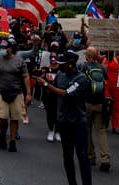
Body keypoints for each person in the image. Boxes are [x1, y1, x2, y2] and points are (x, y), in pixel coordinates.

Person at [38, 51, 91, 185]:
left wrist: (47, 85)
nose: (59, 66)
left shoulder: (81, 78)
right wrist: (44, 81)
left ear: (71, 64)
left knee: (82, 156)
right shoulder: (60, 75)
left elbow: (66, 94)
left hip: (78, 123)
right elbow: (52, 92)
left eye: (62, 64)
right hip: (64, 122)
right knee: (67, 156)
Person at [0, 38, 30, 152]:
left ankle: (12, 141)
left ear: (11, 48)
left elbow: (26, 76)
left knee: (15, 118)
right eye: (2, 48)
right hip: (1, 91)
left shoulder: (19, 60)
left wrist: (28, 93)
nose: (4, 50)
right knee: (2, 117)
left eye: (5, 48)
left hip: (16, 92)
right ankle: (3, 133)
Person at [80, 47, 111, 172]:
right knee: (101, 131)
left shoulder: (83, 67)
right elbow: (106, 79)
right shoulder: (102, 68)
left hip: (87, 103)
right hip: (100, 103)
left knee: (87, 130)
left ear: (87, 56)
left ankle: (90, 156)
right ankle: (105, 159)